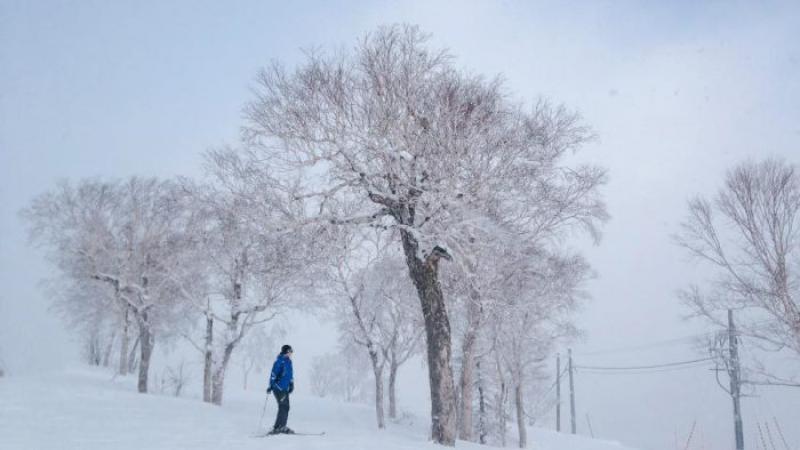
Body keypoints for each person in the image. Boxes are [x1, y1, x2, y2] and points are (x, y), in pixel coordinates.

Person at [267, 344, 294, 434]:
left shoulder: (289, 362)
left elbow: (290, 374)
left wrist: (291, 383)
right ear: (286, 351)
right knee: (283, 407)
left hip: (285, 388)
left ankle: (279, 426)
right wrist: (271, 386)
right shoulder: (279, 362)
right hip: (278, 388)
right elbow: (273, 374)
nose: (291, 353)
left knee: (285, 407)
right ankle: (280, 427)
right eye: (290, 351)